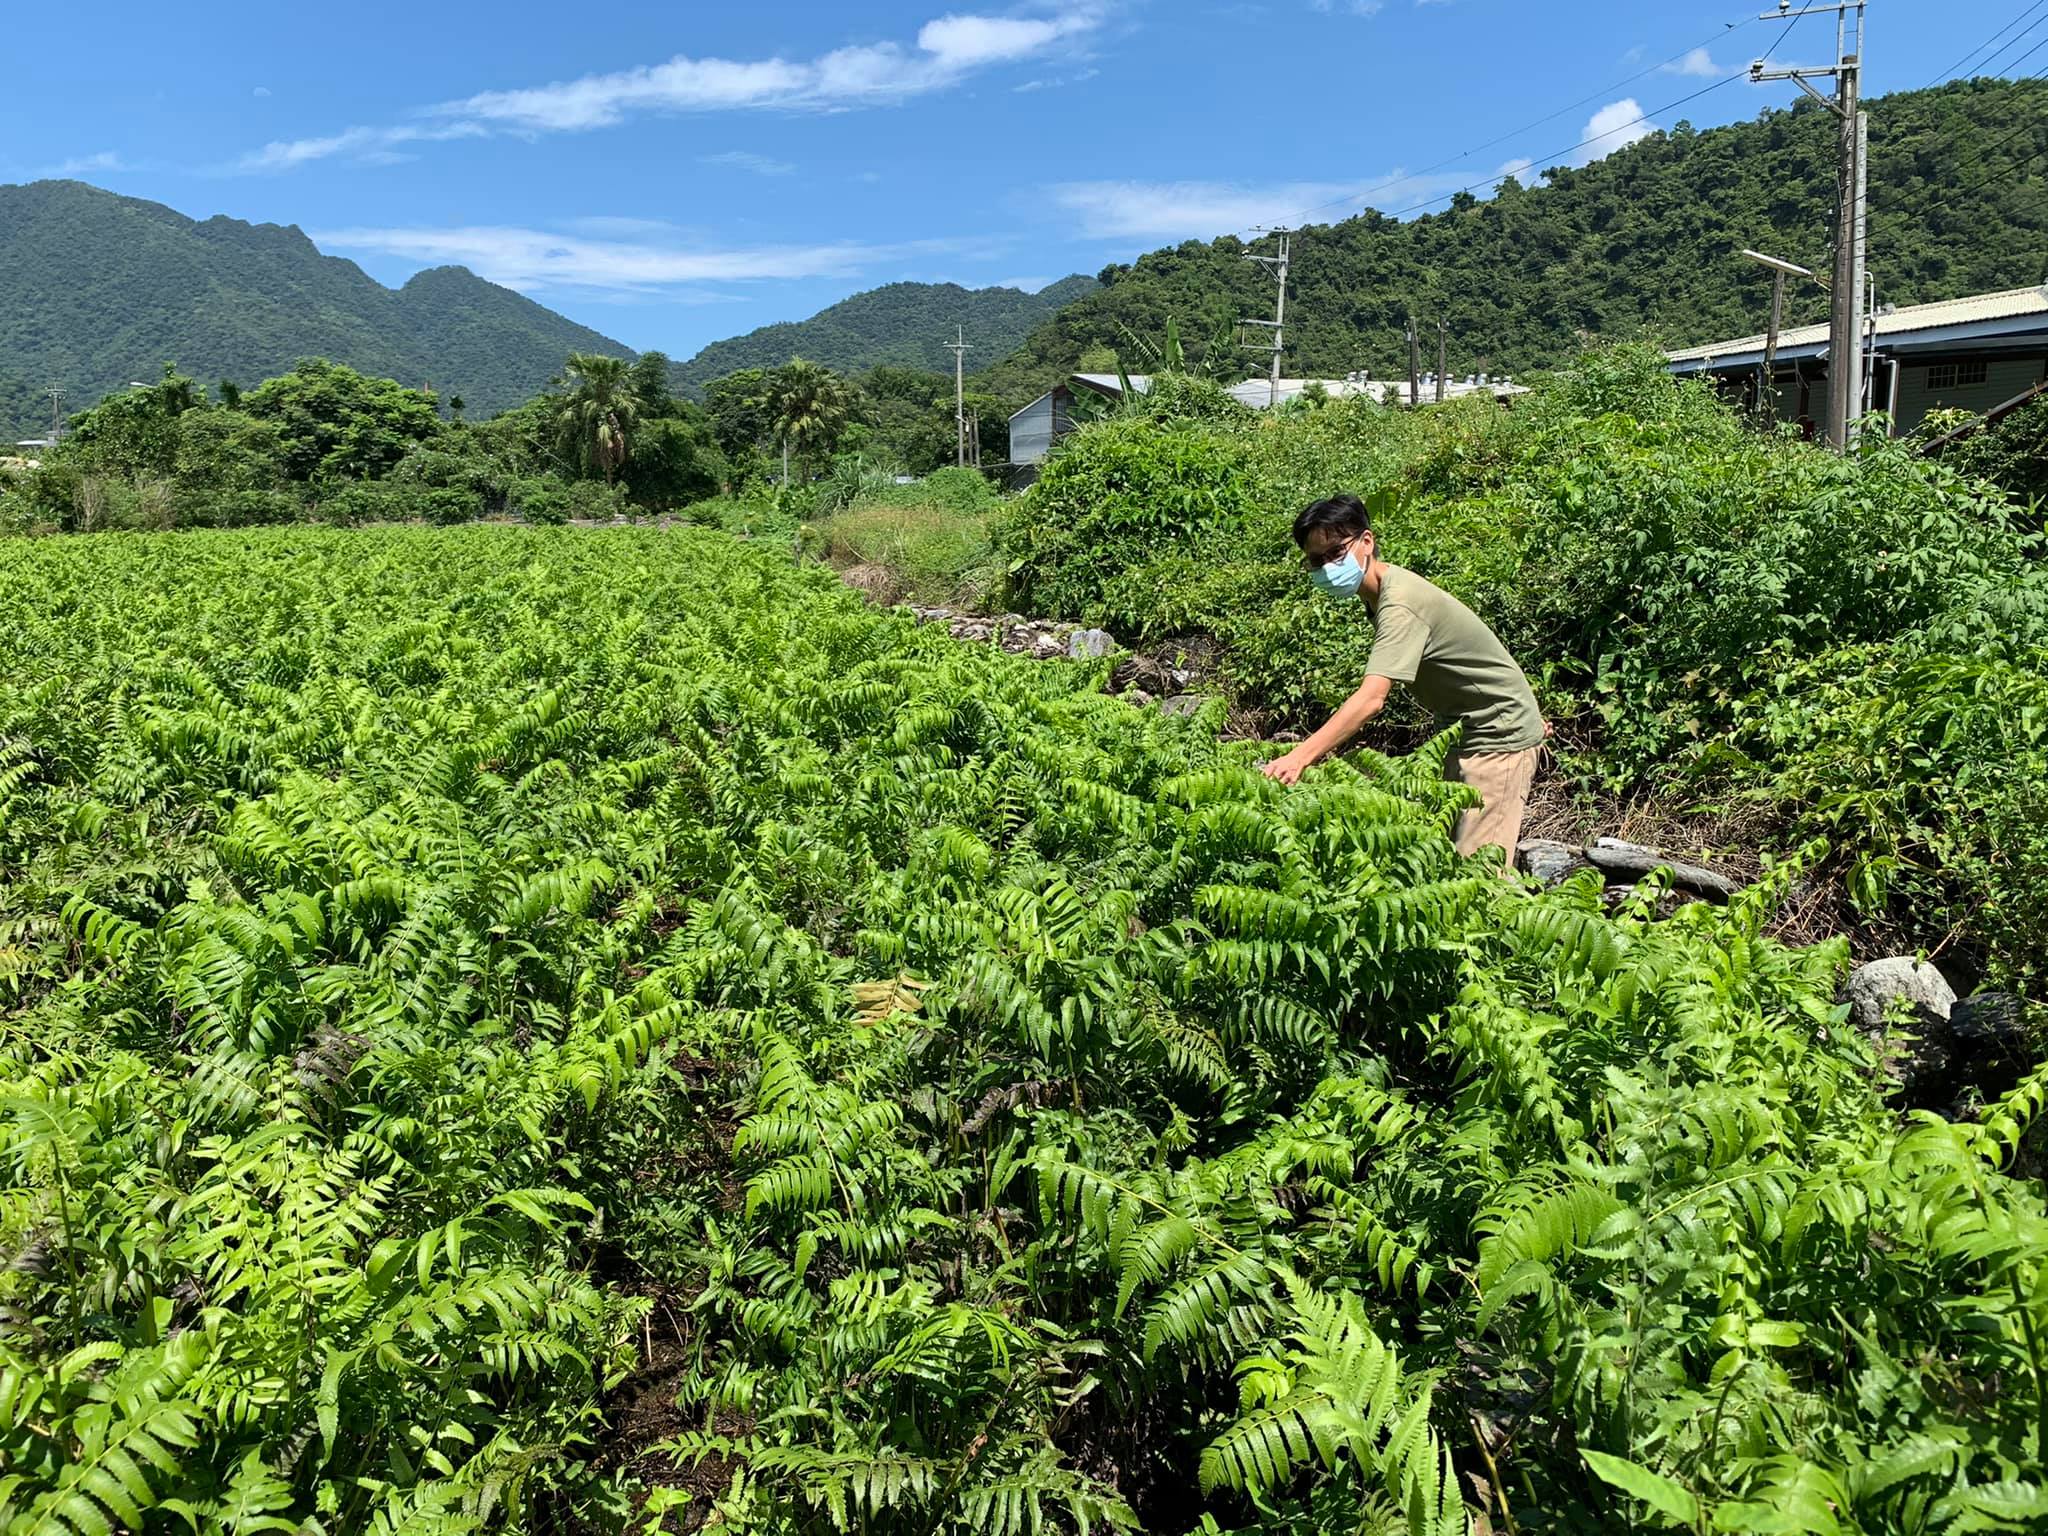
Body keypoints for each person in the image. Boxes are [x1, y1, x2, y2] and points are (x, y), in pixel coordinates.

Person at [1261, 492, 1547, 862]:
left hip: (1497, 739)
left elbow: (1372, 699)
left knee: (1480, 878)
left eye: (1335, 553)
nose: (1328, 567)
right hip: (1463, 733)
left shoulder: (1401, 604)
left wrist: (1299, 758)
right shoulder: (1379, 594)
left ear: (1367, 541)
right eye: (1316, 561)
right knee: (1447, 866)